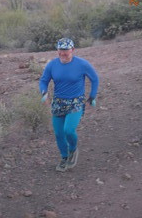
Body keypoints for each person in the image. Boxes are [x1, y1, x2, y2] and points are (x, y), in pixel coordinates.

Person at [39, 38, 99, 172]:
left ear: (72, 50)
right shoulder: (52, 65)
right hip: (58, 102)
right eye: (60, 51)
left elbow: (94, 79)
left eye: (66, 51)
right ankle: (64, 157)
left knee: (68, 130)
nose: (63, 54)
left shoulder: (82, 64)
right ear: (57, 50)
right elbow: (43, 81)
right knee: (59, 134)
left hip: (75, 102)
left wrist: (92, 96)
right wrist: (44, 93)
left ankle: (73, 149)